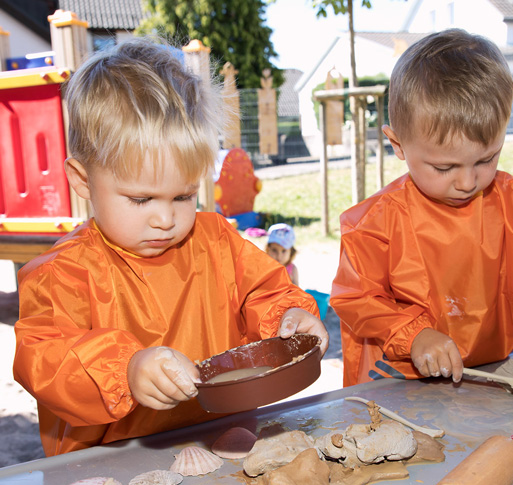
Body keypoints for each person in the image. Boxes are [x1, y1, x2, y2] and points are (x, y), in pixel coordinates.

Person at [12, 38, 328, 457]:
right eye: (141, 200)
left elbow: (263, 289)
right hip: (113, 458)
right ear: (83, 180)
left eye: (183, 196)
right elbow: (45, 359)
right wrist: (124, 369)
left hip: (223, 436)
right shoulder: (61, 273)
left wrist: (288, 318)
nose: (165, 219)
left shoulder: (215, 241)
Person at [330, 29, 513, 403]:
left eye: (487, 159)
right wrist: (414, 334)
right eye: (445, 167)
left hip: (489, 378)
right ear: (397, 144)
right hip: (393, 383)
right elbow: (357, 298)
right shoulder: (373, 223)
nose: (468, 181)